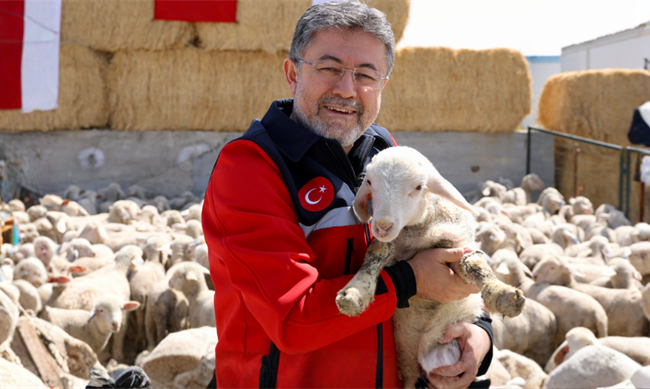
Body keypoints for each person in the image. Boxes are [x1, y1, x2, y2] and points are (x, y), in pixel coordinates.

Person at [201, 1, 493, 388]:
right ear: (292, 73)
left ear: (383, 85)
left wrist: (479, 333)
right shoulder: (251, 167)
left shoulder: (384, 153)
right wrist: (408, 282)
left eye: (366, 74)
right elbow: (291, 318)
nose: (347, 89)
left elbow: (440, 243)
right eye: (329, 68)